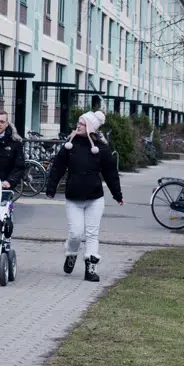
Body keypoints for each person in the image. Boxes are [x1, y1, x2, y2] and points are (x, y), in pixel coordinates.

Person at [46, 97, 123, 282]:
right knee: (75, 234)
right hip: (73, 198)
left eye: (82, 123)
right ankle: (71, 253)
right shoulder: (69, 146)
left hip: (95, 198)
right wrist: (51, 188)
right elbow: (57, 167)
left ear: (91, 127)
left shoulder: (101, 149)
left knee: (91, 234)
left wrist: (117, 195)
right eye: (78, 122)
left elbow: (111, 173)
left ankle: (90, 268)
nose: (78, 125)